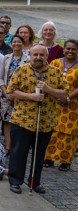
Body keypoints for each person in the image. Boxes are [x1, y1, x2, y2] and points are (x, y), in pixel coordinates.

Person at [6, 44, 68, 194]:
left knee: (39, 156)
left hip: (45, 122)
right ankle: (15, 181)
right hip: (22, 121)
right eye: (35, 55)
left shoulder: (56, 72)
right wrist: (30, 96)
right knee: (18, 153)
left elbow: (65, 94)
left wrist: (49, 90)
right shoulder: (22, 70)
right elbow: (10, 92)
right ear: (30, 56)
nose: (38, 57)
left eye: (42, 55)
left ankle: (35, 182)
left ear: (47, 56)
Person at [45, 39, 78, 171]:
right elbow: (49, 80)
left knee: (68, 132)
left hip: (72, 105)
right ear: (63, 49)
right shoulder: (55, 63)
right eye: (68, 48)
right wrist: (56, 95)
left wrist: (68, 97)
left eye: (73, 49)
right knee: (51, 129)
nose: (70, 51)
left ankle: (65, 161)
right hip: (54, 103)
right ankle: (48, 158)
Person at [0, 35, 29, 153]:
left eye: (19, 42)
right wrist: (6, 93)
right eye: (14, 42)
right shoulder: (6, 58)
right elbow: (0, 78)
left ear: (23, 44)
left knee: (18, 122)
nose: (16, 44)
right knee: (6, 122)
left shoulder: (28, 59)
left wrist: (16, 94)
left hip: (20, 96)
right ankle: (8, 146)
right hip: (6, 95)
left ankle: (17, 147)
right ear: (11, 44)